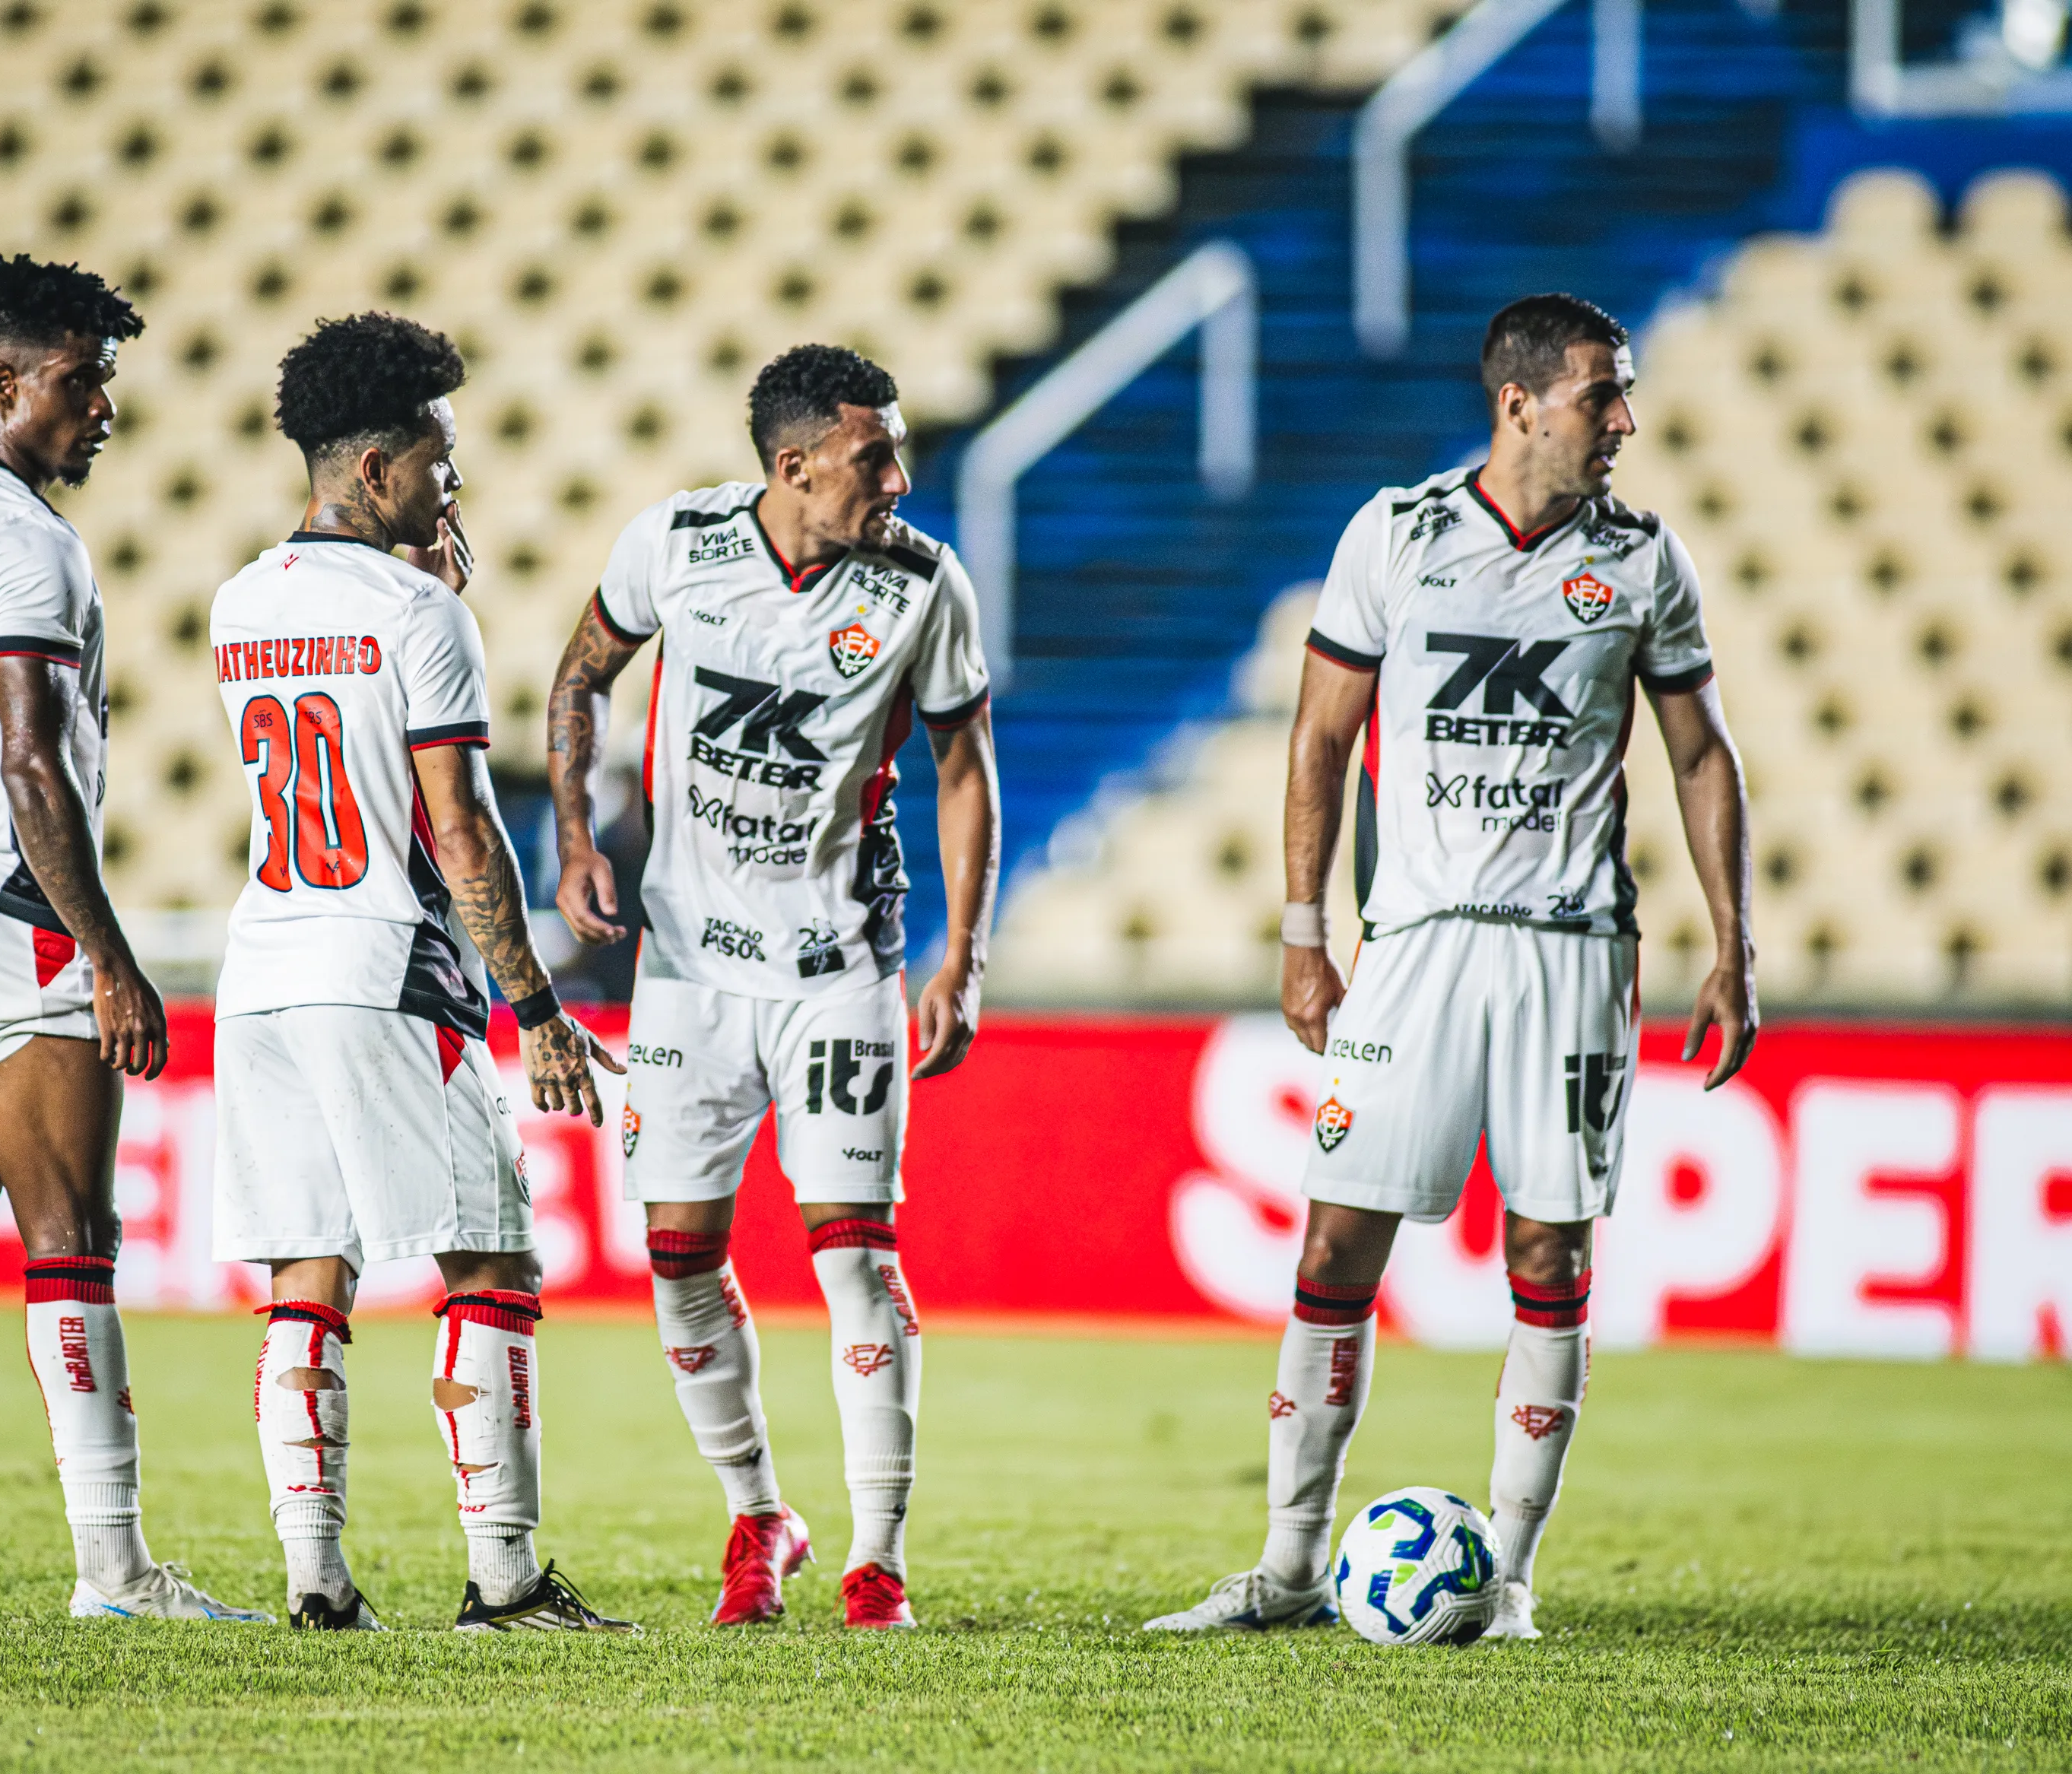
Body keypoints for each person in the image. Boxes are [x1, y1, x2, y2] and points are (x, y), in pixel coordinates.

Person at [1145, 293, 1756, 1640]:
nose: (1626, 421)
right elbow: (1317, 740)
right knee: (1338, 1240)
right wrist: (1305, 934)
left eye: (1625, 394)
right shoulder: (1397, 534)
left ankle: (1516, 1578)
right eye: (1605, 393)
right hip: (1414, 950)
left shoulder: (1647, 561)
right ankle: (1290, 1569)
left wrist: (1735, 942)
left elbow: (1699, 755)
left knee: (1549, 1244)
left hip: (1572, 954)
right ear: (1521, 399)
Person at [0, 254, 263, 1622]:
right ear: (3, 383)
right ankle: (114, 1567)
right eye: (82, 383)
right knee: (70, 1232)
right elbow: (33, 768)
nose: (102, 409)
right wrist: (110, 952)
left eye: (108, 383)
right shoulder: (26, 542)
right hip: (3, 897)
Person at [545, 344, 1002, 1630]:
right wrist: (578, 839)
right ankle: (760, 1514)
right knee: (677, 1255)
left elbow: (965, 764)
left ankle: (880, 1560)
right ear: (795, 466)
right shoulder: (673, 544)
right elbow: (580, 675)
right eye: (875, 457)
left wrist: (961, 953)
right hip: (687, 973)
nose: (900, 480)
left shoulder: (923, 584)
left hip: (839, 969)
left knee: (856, 1255)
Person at [212, 312, 636, 1635]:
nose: (458, 483)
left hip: (265, 961)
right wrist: (538, 1006)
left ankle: (313, 1581)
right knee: (493, 1262)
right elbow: (454, 826)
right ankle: (504, 1580)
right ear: (380, 471)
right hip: (386, 964)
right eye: (441, 460)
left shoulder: (240, 599)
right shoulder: (419, 613)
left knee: (308, 1277)